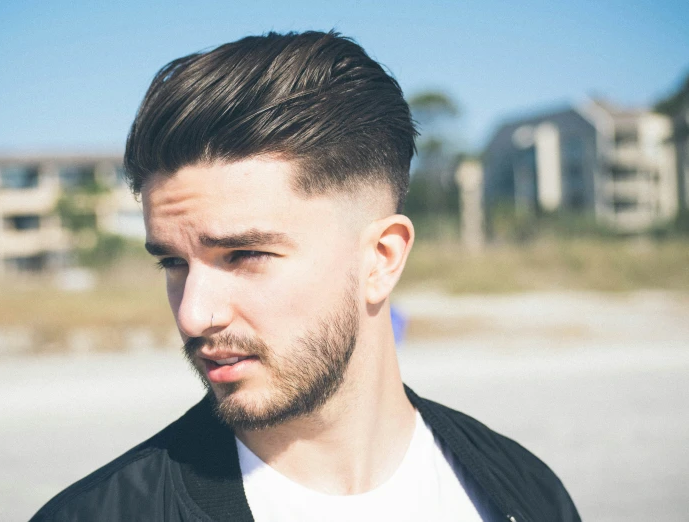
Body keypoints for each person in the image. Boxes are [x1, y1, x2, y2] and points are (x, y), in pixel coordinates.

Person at [30, 31, 580, 522]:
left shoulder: (523, 493)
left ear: (382, 258)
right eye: (173, 262)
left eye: (244, 254)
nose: (193, 314)